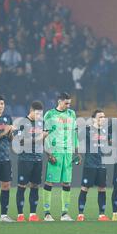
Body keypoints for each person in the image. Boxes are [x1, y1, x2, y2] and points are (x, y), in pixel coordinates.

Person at [42, 92, 82, 221]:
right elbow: (45, 135)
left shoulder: (72, 114)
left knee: (67, 182)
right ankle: (47, 213)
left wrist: (77, 151)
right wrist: (49, 153)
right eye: (66, 103)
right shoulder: (50, 114)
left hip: (68, 152)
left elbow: (74, 134)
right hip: (56, 152)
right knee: (50, 182)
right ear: (59, 101)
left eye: (70, 103)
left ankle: (65, 213)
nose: (68, 106)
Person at [14, 101, 46, 222]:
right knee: (22, 186)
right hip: (25, 159)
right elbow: (19, 141)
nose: (39, 116)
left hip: (38, 159)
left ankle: (33, 214)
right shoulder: (22, 123)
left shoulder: (41, 123)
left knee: (35, 186)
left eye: (40, 114)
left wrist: (48, 153)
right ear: (31, 111)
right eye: (37, 113)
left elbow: (43, 141)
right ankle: (20, 215)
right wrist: (38, 138)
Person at [77, 109, 111, 221]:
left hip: (101, 165)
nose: (102, 119)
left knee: (102, 189)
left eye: (104, 117)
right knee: (84, 188)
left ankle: (102, 214)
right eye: (100, 117)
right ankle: (80, 214)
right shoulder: (87, 130)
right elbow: (75, 138)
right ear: (93, 119)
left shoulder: (106, 132)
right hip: (89, 164)